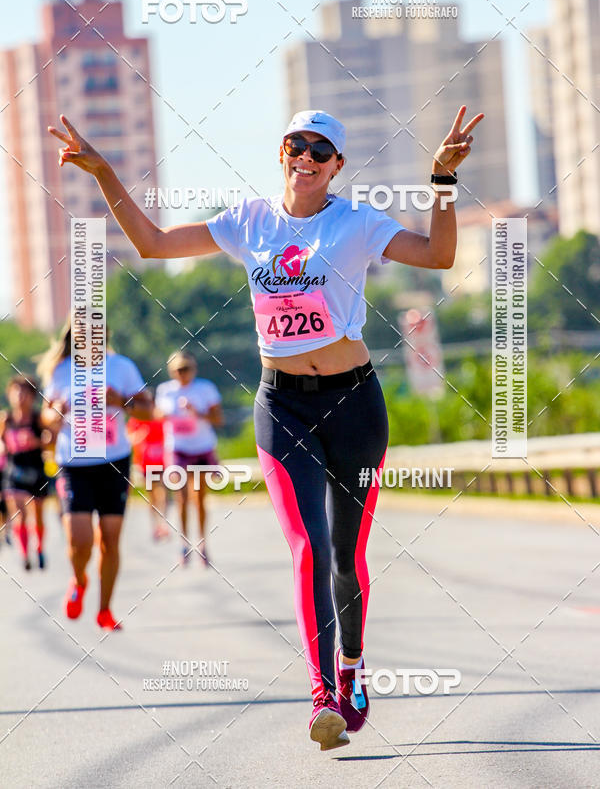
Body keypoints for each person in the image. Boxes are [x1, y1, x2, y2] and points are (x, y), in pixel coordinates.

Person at [48, 104, 483, 748]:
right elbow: (155, 245)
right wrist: (106, 172)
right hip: (281, 405)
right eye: (295, 145)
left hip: (354, 404)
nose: (305, 156)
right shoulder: (249, 221)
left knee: (345, 556)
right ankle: (322, 695)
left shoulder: (357, 223)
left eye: (320, 149)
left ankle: (353, 664)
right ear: (281, 153)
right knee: (308, 547)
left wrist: (442, 184)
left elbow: (441, 255)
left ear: (336, 166)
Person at [38, 318, 153, 630]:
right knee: (79, 540)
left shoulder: (122, 367)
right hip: (74, 464)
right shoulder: (61, 370)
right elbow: (46, 417)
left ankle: (105, 609)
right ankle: (79, 579)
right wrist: (55, 411)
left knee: (110, 539)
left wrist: (121, 401)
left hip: (114, 461)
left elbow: (148, 410)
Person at [154, 351, 223, 567]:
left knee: (199, 497)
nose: (183, 374)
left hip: (202, 447)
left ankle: (202, 543)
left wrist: (198, 413)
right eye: (179, 370)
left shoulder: (206, 388)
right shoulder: (165, 391)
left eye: (187, 369)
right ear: (172, 371)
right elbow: (156, 415)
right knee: (181, 497)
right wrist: (163, 414)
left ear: (194, 369)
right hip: (178, 448)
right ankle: (184, 544)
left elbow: (218, 419)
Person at [0, 375, 50, 569]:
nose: (20, 397)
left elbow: (50, 437)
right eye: (16, 392)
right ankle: (25, 554)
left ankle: (39, 547)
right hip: (14, 470)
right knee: (18, 513)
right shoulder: (7, 419)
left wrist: (36, 441)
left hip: (35, 469)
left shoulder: (38, 418)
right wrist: (5, 447)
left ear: (32, 396)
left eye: (25, 393)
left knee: (37, 514)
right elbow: (1, 441)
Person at [126, 412, 169, 542]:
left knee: (162, 491)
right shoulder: (136, 419)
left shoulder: (160, 417)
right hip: (145, 462)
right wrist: (141, 435)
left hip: (161, 461)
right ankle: (155, 526)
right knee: (151, 496)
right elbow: (129, 438)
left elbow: (169, 435)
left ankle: (163, 524)